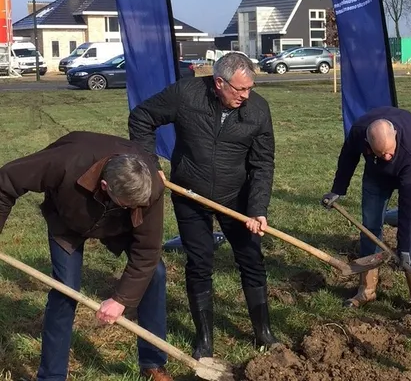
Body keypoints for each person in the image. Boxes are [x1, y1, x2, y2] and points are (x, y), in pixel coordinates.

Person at [128, 52, 276, 358]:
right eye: (240, 90)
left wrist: (257, 207)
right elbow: (141, 118)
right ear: (219, 82)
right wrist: (150, 162)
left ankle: (264, 334)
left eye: (250, 88)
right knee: (200, 263)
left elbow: (263, 163)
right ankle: (205, 341)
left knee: (251, 259)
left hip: (237, 197)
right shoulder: (186, 94)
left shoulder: (258, 110)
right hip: (190, 194)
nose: (246, 96)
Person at [0, 131, 171, 381]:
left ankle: (153, 362)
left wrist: (121, 299)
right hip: (68, 221)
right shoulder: (64, 161)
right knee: (65, 291)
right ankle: (51, 376)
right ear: (104, 186)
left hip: (118, 225)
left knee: (155, 273)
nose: (135, 207)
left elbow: (147, 251)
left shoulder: (150, 189)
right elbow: (6, 182)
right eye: (128, 204)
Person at [322, 106, 411, 308]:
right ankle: (366, 290)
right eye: (381, 153)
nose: (387, 157)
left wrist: (403, 248)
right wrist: (338, 189)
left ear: (395, 135)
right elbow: (348, 157)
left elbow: (408, 203)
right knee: (370, 226)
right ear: (368, 143)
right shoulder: (359, 131)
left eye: (389, 152)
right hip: (375, 176)